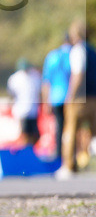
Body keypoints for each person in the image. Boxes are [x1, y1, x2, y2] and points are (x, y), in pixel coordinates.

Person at [58, 20, 96, 178]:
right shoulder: (93, 50)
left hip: (81, 98)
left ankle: (68, 165)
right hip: (94, 97)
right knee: (94, 132)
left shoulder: (78, 50)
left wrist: (70, 96)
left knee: (70, 129)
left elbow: (78, 75)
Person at [41, 35, 72, 163]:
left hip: (55, 97)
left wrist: (45, 101)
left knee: (59, 127)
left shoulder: (52, 56)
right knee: (70, 127)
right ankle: (70, 156)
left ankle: (59, 156)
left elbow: (46, 81)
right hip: (71, 97)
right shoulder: (73, 54)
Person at [7, 58, 41, 148]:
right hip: (22, 111)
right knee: (24, 135)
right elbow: (11, 94)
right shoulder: (16, 78)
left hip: (32, 111)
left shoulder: (34, 77)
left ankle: (28, 151)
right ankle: (23, 153)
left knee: (34, 135)